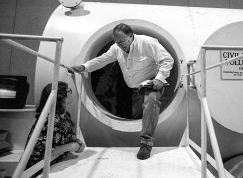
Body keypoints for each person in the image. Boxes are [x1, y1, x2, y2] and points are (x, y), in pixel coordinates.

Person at [71, 23, 174, 160]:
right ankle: (139, 137)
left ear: (131, 36)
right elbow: (102, 60)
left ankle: (146, 143)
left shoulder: (147, 43)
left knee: (151, 101)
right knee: (138, 116)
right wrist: (84, 67)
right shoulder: (116, 48)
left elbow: (167, 59)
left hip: (152, 83)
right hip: (136, 89)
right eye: (117, 42)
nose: (120, 45)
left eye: (122, 41)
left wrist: (160, 78)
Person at [25, 81, 85, 173]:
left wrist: (77, 142)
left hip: (54, 162)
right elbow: (44, 150)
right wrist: (71, 146)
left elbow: (67, 135)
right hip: (38, 167)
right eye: (69, 91)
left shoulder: (64, 115)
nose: (71, 93)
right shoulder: (49, 119)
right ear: (60, 98)